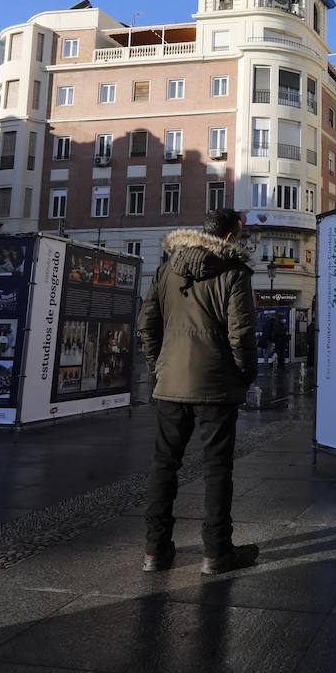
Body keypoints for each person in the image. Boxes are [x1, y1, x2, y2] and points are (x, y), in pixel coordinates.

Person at [137, 209, 259, 576]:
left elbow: (147, 325)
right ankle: (216, 552)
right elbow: (242, 334)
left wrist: (158, 368)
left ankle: (155, 551)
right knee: (217, 468)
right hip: (217, 387)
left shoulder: (165, 270)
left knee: (164, 465)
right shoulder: (234, 273)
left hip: (170, 383)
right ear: (229, 238)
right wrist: (244, 375)